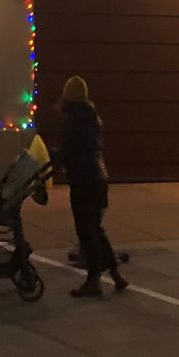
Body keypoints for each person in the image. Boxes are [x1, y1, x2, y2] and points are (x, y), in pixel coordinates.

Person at [57, 74, 126, 298]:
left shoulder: (74, 119)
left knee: (86, 230)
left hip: (83, 180)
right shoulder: (92, 117)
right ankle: (115, 273)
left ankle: (93, 279)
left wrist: (56, 156)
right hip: (99, 178)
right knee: (96, 228)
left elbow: (71, 149)